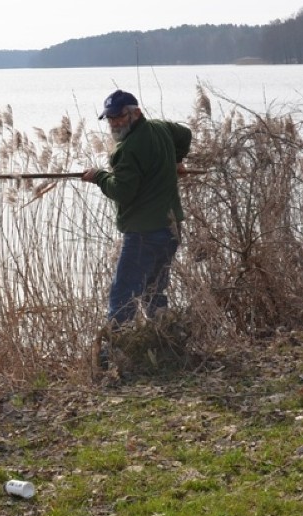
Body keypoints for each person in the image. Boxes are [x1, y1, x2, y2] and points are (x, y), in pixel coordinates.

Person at [81, 89, 193, 335]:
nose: (114, 123)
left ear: (136, 113)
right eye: (110, 118)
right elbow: (185, 134)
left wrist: (98, 177)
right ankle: (165, 342)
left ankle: (112, 352)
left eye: (119, 117)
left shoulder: (127, 150)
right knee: (154, 292)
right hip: (172, 228)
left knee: (123, 295)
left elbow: (122, 192)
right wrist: (177, 160)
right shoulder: (160, 128)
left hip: (143, 234)